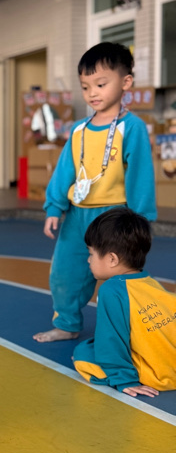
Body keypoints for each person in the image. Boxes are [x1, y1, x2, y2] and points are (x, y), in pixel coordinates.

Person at [34, 42, 156, 343]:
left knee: (119, 275)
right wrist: (54, 207)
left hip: (114, 215)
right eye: (86, 87)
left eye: (101, 84)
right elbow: (65, 170)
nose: (92, 93)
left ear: (126, 82)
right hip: (77, 216)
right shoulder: (79, 129)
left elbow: (140, 174)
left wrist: (140, 219)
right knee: (64, 272)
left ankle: (123, 331)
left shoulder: (132, 127)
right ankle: (67, 324)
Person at [72, 208, 176, 397]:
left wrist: (124, 380)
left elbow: (111, 339)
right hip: (172, 365)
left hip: (155, 375)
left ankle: (122, 374)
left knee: (83, 353)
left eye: (91, 254)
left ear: (112, 259)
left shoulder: (111, 290)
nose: (88, 260)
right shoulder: (150, 281)